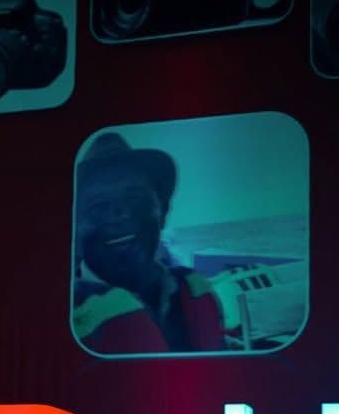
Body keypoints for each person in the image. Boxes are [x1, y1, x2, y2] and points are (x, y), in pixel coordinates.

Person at [72, 132, 226, 354]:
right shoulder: (61, 318)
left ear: (162, 211)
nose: (120, 214)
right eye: (98, 206)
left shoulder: (197, 290)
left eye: (134, 198)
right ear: (73, 228)